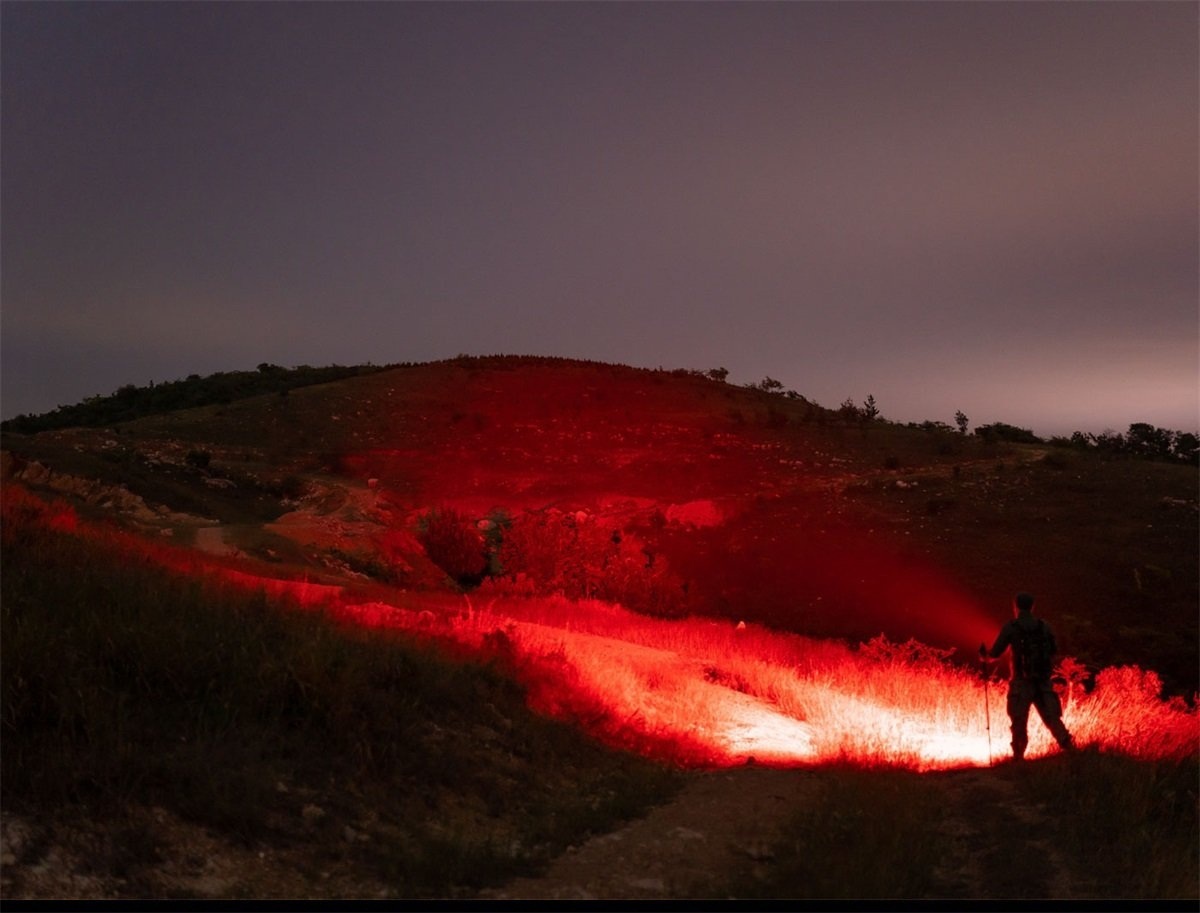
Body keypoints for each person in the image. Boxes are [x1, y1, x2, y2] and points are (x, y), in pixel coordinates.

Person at [979, 592, 1074, 761]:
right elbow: (1054, 651)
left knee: (1019, 721)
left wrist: (984, 655)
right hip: (1044, 682)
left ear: (1015, 607)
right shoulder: (1044, 626)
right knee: (1052, 719)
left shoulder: (1011, 627)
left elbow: (995, 653)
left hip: (1021, 683)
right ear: (1032, 606)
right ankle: (1071, 750)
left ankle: (1018, 758)